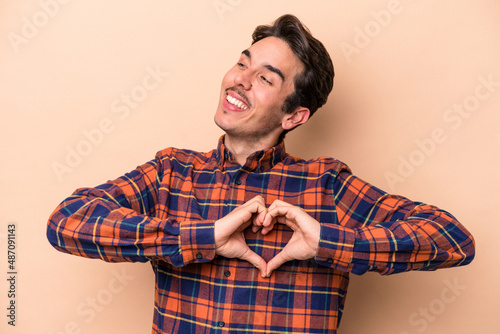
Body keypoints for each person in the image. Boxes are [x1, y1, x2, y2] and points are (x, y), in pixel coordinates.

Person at [47, 14, 475, 334]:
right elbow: (66, 221)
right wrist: (203, 237)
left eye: (265, 78)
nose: (240, 81)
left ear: (294, 115)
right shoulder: (171, 172)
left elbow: (453, 239)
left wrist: (328, 242)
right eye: (241, 63)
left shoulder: (327, 184)